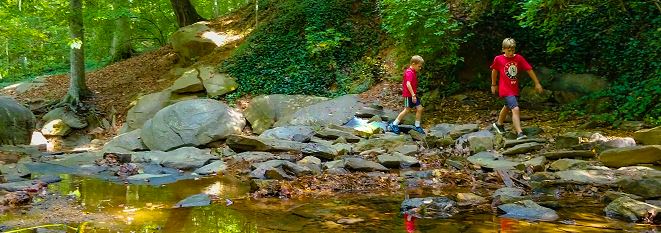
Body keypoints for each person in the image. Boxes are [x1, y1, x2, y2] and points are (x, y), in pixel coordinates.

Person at [490, 38, 543, 140]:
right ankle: (520, 133)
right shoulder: (498, 59)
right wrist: (493, 84)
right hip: (505, 89)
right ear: (503, 49)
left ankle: (499, 124)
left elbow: (529, 69)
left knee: (507, 106)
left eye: (513, 50)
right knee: (515, 108)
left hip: (514, 88)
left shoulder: (518, 58)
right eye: (508, 50)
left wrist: (537, 83)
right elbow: (494, 71)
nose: (511, 53)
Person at [389, 55, 425, 134]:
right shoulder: (409, 72)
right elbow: (408, 84)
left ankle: (417, 126)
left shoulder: (413, 72)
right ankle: (394, 124)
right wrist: (413, 95)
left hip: (413, 95)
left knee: (419, 108)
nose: (420, 68)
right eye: (419, 66)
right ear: (413, 64)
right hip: (409, 95)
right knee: (407, 110)